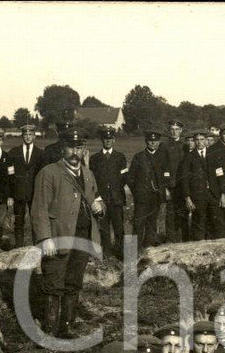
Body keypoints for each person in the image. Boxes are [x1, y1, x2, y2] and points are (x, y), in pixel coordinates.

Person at [32, 126, 106, 340]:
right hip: (58, 238)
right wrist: (45, 239)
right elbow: (39, 210)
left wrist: (100, 207)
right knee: (54, 284)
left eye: (79, 147)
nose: (75, 153)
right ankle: (50, 331)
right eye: (71, 147)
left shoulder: (88, 173)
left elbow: (96, 198)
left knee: (73, 283)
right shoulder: (49, 173)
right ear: (62, 148)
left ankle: (66, 327)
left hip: (82, 238)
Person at [88, 126, 128, 260]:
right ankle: (107, 254)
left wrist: (115, 189)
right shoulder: (95, 158)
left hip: (116, 198)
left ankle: (121, 253)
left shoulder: (120, 157)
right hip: (102, 199)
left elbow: (123, 178)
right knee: (104, 228)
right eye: (105, 139)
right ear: (102, 140)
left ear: (114, 140)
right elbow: (92, 179)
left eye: (110, 139)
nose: (108, 141)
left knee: (119, 228)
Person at [127, 127, 169, 252]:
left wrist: (162, 191)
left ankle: (148, 251)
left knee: (152, 224)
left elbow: (166, 176)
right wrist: (137, 193)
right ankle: (133, 253)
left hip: (155, 197)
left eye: (155, 141)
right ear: (146, 141)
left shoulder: (162, 157)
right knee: (138, 224)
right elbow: (130, 178)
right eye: (150, 141)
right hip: (142, 198)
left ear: (158, 142)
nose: (153, 143)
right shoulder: (139, 157)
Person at [181, 130, 224, 240]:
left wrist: (223, 194)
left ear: (206, 141)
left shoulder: (213, 155)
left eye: (202, 140)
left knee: (215, 223)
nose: (199, 142)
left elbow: (220, 175)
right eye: (197, 140)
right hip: (198, 196)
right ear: (194, 141)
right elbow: (185, 179)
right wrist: (187, 198)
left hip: (213, 195)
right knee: (199, 223)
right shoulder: (189, 157)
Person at [7, 124, 45, 248]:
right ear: (22, 136)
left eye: (30, 135)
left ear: (34, 136)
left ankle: (37, 247)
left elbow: (42, 175)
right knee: (19, 222)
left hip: (34, 193)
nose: (28, 137)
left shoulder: (40, 153)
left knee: (36, 221)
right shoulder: (14, 152)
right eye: (25, 135)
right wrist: (11, 195)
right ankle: (19, 248)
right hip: (19, 192)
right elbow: (10, 175)